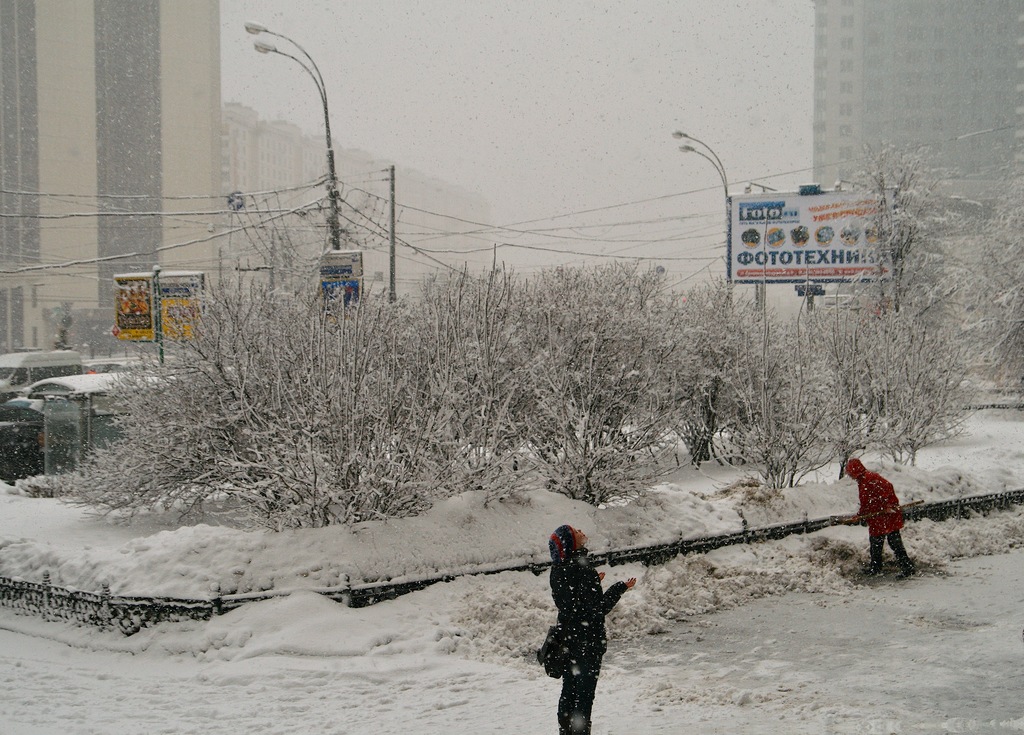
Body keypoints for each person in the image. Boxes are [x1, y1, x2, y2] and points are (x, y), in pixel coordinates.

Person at [548, 524, 636, 735]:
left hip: (568, 638)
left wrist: (593, 581)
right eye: (575, 532)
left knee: (569, 691)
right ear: (571, 542)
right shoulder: (583, 568)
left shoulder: (558, 569)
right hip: (588, 641)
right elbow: (598, 609)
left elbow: (570, 602)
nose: (581, 531)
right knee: (584, 695)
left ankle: (565, 732)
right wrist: (619, 587)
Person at [845, 458, 916, 577]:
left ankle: (907, 568)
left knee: (894, 543)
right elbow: (866, 502)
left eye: (850, 473)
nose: (850, 476)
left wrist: (889, 505)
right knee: (875, 543)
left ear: (855, 470)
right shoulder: (862, 480)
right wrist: (860, 515)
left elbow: (887, 488)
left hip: (888, 516)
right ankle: (876, 568)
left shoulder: (870, 478)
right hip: (878, 518)